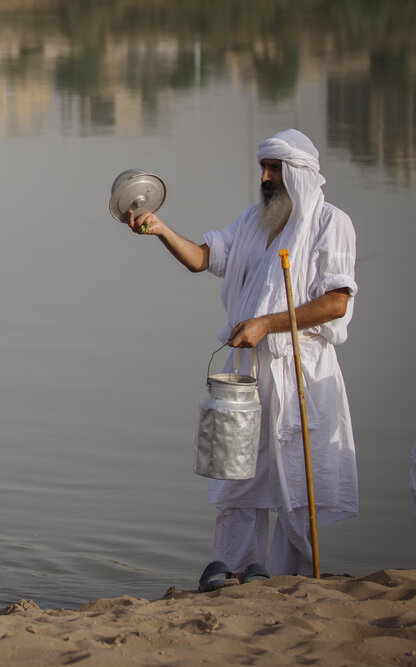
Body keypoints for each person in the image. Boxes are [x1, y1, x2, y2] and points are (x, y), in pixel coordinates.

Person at [124, 129, 358, 577]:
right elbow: (202, 258)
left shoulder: (332, 223)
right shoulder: (255, 220)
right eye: (263, 169)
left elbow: (336, 302)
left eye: (275, 170)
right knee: (238, 469)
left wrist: (266, 323)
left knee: (293, 475)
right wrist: (159, 228)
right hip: (249, 369)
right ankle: (235, 567)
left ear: (299, 174)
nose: (266, 178)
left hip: (299, 368)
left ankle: (296, 575)